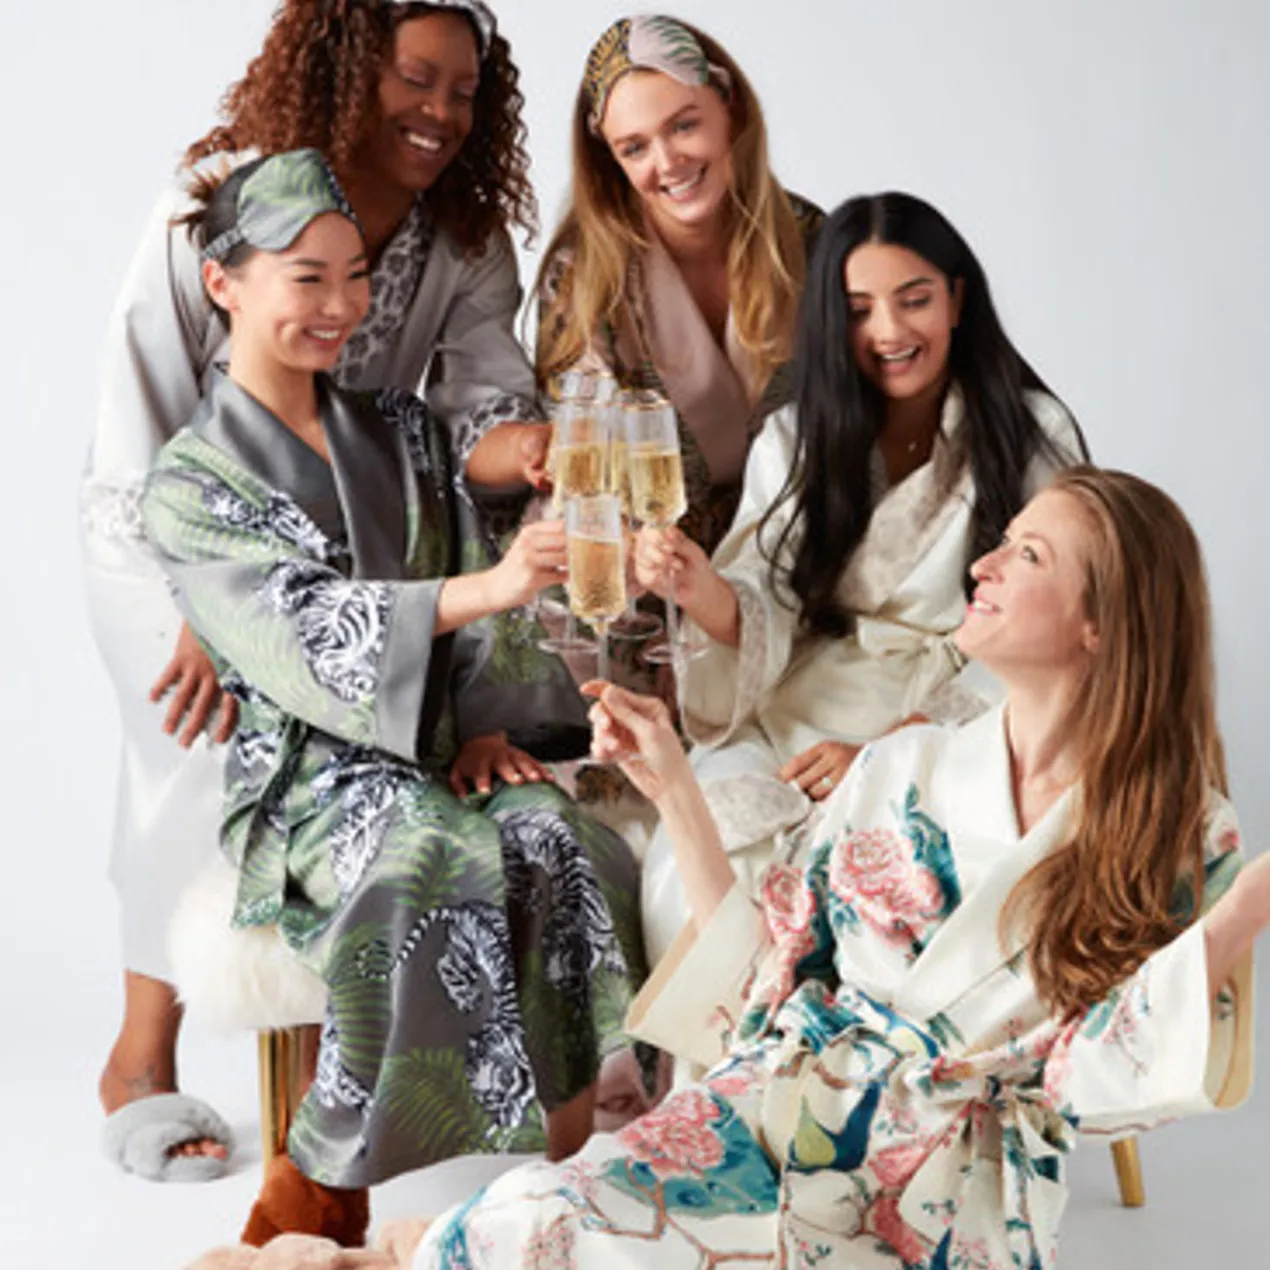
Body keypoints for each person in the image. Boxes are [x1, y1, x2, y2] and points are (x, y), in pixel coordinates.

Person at [405, 465, 1262, 1269]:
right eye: (1000, 542)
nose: (984, 566)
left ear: (1102, 622)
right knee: (533, 1214)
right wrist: (671, 786)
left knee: (555, 1239)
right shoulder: (905, 766)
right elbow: (765, 982)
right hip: (770, 1115)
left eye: (1028, 555)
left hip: (938, 1194)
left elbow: (1106, 1080)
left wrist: (1250, 905)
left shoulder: (1174, 831)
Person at [82, 0, 556, 1178]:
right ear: (348, 67)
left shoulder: (462, 235)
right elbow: (138, 418)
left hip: (378, 536)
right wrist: (206, 604)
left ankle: (403, 1081)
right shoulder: (217, 199)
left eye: (465, 91)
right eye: (415, 78)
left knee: (415, 773)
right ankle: (141, 1058)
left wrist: (536, 449)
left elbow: (479, 411)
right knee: (200, 741)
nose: (441, 112)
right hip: (195, 537)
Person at [140, 150, 644, 1246]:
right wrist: (494, 587)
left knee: (559, 837)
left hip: (436, 741)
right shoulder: (188, 481)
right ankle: (320, 1175)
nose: (340, 305)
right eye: (306, 278)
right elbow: (302, 632)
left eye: (356, 276)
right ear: (225, 283)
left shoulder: (402, 429)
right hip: (308, 782)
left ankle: (566, 1173)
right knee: (428, 850)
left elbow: (467, 568)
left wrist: (488, 726)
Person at [635, 192, 1087, 965]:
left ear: (957, 300)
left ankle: (833, 1038)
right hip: (796, 706)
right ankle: (722, 1045)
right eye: (858, 310)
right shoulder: (796, 437)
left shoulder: (1031, 432)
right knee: (696, 855)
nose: (889, 332)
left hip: (961, 718)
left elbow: (1060, 623)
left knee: (875, 883)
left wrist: (893, 750)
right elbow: (764, 594)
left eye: (914, 300)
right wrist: (698, 588)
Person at [535, 13, 822, 586]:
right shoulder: (584, 277)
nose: (667, 163)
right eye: (634, 147)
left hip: (791, 561)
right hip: (635, 572)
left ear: (729, 106)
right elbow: (583, 471)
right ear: (611, 160)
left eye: (684, 126)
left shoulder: (813, 241)